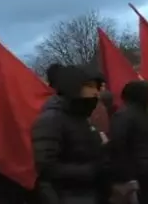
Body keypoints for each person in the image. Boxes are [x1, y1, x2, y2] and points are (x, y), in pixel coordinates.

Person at [31, 65, 106, 204]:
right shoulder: (51, 120)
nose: (96, 92)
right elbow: (46, 167)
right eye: (89, 86)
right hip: (67, 197)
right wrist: (91, 170)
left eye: (97, 87)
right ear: (73, 87)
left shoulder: (81, 118)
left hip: (91, 194)